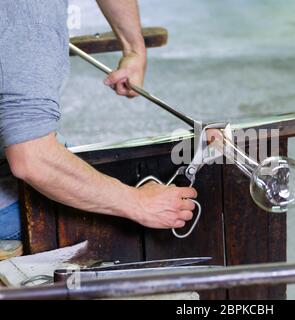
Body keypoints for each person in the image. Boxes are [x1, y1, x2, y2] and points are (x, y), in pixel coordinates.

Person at [0, 0, 197, 241]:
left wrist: (134, 49)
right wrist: (137, 203)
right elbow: (32, 159)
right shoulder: (31, 21)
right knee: (131, 230)